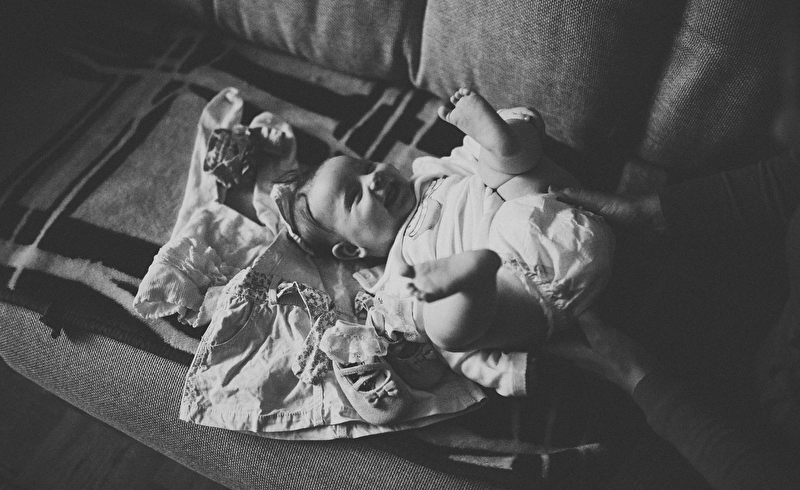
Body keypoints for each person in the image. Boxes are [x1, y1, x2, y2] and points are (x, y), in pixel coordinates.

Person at [273, 88, 615, 355]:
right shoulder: (395, 276)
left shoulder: (432, 175)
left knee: (496, 165)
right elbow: (445, 354)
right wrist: (508, 372)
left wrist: (491, 141)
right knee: (439, 329)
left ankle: (505, 141)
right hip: (520, 292)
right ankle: (471, 281)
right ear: (351, 250)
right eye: (353, 195)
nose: (373, 178)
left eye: (366, 167)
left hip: (547, 218)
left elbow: (471, 156)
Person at [542, 147, 800, 489]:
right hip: (763, 336)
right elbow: (791, 176)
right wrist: (651, 212)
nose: (778, 131)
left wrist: (641, 380)